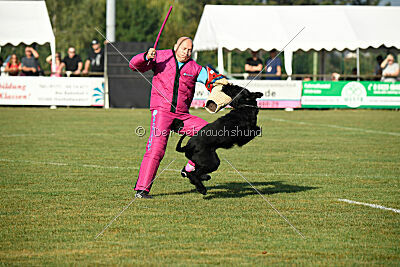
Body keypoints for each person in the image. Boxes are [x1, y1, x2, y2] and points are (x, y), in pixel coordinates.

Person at [129, 36, 226, 199]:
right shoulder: (159, 56)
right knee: (157, 150)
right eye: (184, 49)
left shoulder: (194, 67)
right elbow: (133, 65)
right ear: (175, 46)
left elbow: (213, 79)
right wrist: (145, 57)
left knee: (209, 133)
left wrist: (221, 85)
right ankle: (142, 189)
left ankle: (190, 168)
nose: (187, 53)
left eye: (190, 50)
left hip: (182, 115)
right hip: (162, 111)